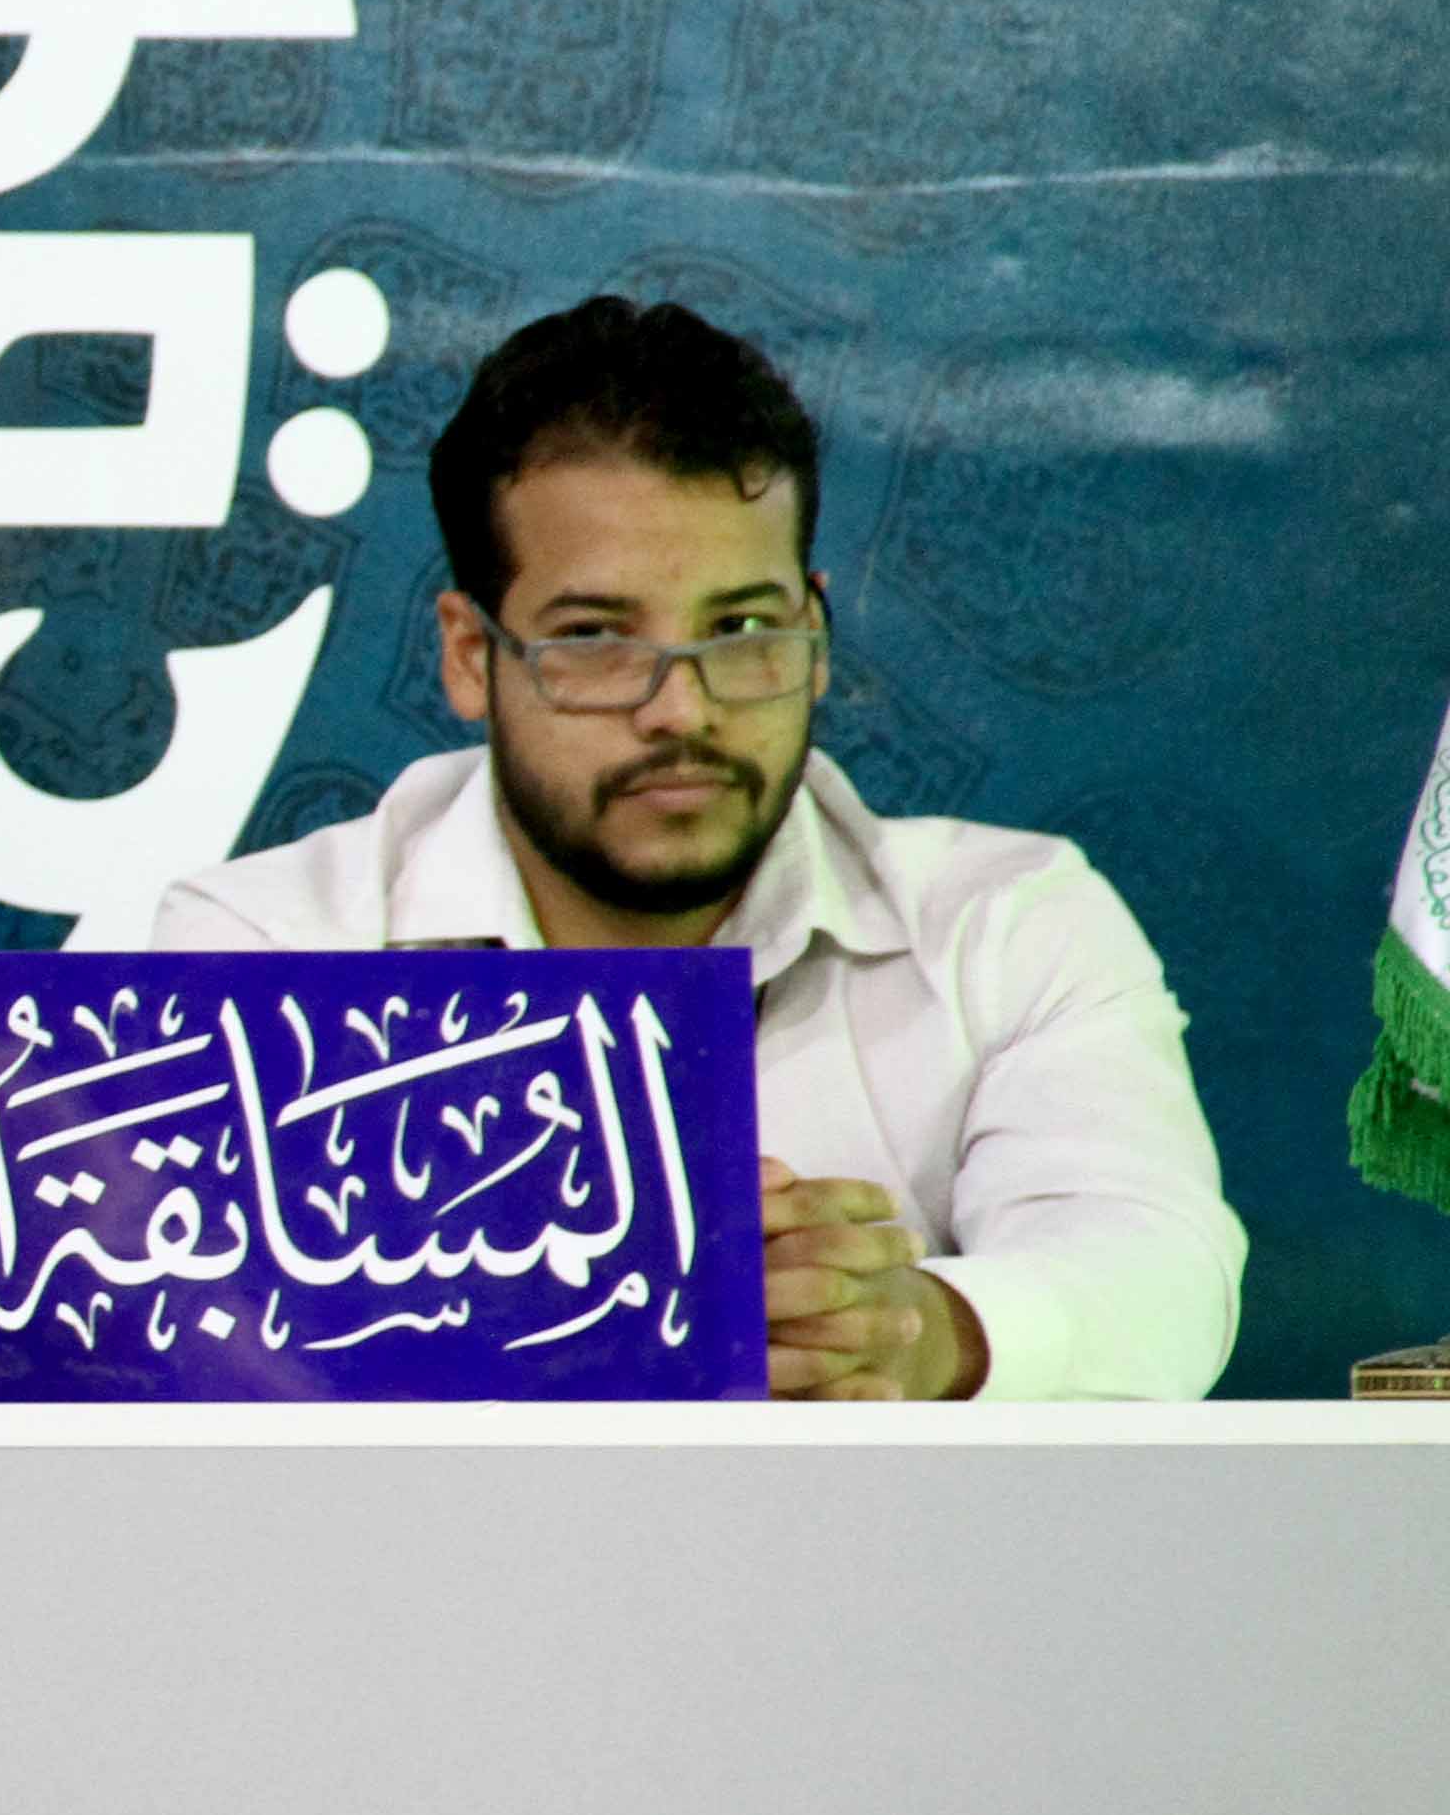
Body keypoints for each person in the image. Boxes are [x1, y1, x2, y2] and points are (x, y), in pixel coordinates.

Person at [149, 298, 1241, 1400]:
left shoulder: (1005, 925)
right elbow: (198, 1354)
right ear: (472, 655)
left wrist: (922, 1333)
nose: (683, 710)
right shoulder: (266, 950)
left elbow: (1162, 1271)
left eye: (742, 629)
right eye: (594, 638)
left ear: (817, 636)